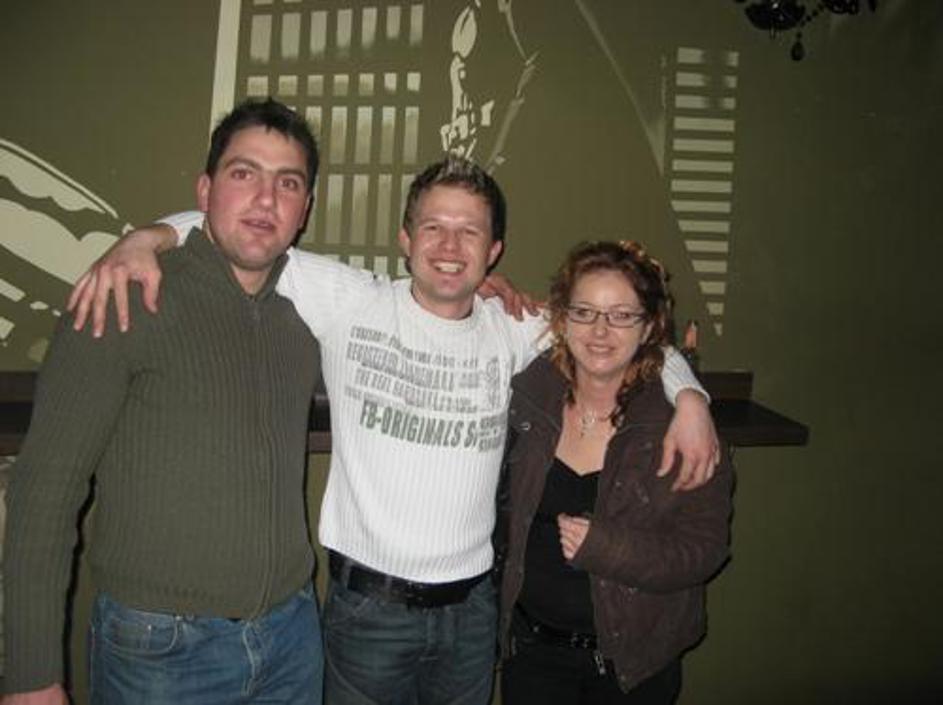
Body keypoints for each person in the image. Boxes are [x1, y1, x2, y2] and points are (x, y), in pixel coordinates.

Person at [66, 157, 720, 705]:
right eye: (433, 226)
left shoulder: (513, 327)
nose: (449, 246)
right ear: (405, 239)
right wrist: (147, 237)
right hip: (367, 613)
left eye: (469, 231)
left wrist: (689, 395)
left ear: (493, 250)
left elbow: (617, 331)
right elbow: (238, 232)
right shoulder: (350, 300)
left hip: (473, 616)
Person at [1, 98, 325, 704]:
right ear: (205, 191)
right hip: (161, 653)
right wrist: (29, 676)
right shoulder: (122, 296)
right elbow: (44, 491)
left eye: (288, 183)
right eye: (243, 173)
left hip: (293, 638)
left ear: (304, 208)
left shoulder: (308, 318)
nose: (265, 199)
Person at [496, 241, 734, 705]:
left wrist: (607, 548)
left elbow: (704, 551)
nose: (600, 330)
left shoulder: (682, 429)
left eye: (622, 315)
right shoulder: (527, 396)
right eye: (584, 312)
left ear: (649, 327)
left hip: (633, 666)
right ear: (562, 319)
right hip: (531, 654)